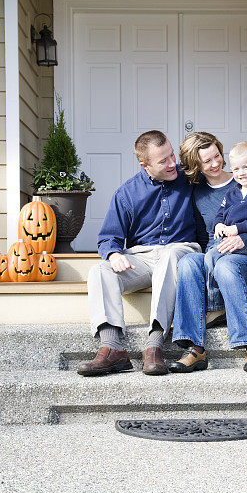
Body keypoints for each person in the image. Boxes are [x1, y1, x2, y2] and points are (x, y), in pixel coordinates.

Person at [77, 130, 200, 377]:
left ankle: (154, 345)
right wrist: (114, 255)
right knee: (99, 270)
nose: (171, 163)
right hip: (142, 257)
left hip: (182, 250)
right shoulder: (127, 193)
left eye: (171, 155)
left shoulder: (189, 179)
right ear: (145, 166)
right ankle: (112, 348)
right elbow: (108, 237)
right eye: (162, 161)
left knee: (169, 254)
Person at [170, 139, 247, 374]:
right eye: (206, 161)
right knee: (189, 262)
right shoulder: (198, 193)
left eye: (217, 156)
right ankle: (195, 348)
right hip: (216, 251)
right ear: (197, 166)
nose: (215, 164)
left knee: (225, 267)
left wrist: (244, 236)